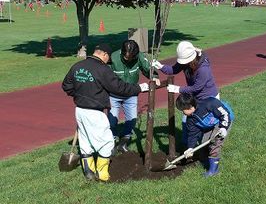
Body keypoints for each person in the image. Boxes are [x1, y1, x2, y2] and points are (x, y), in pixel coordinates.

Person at [62, 44, 149, 182]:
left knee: (85, 142)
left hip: (79, 110)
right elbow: (119, 88)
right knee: (108, 143)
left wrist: (81, 95)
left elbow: (66, 85)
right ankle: (103, 174)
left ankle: (88, 172)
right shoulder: (103, 69)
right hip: (95, 112)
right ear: (105, 55)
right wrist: (139, 87)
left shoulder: (77, 66)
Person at [152, 41, 220, 145]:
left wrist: (178, 89)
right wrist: (160, 66)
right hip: (195, 98)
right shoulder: (186, 62)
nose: (182, 64)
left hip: (208, 99)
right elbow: (173, 70)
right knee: (186, 122)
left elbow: (197, 88)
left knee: (205, 125)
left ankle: (206, 149)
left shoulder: (203, 69)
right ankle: (187, 148)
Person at [108, 40, 160, 153]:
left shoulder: (139, 57)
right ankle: (111, 142)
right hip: (114, 94)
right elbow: (104, 74)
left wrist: (154, 76)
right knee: (112, 121)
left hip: (131, 94)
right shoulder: (113, 57)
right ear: (122, 53)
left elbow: (147, 68)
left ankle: (124, 141)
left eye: (132, 58)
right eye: (126, 58)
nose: (129, 60)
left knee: (132, 119)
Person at [175, 93, 234, 177]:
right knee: (204, 143)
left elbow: (224, 114)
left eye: (183, 110)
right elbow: (193, 134)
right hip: (210, 125)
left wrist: (224, 127)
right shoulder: (190, 120)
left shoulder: (210, 103)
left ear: (190, 106)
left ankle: (214, 171)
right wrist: (190, 148)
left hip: (223, 121)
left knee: (214, 144)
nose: (183, 113)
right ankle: (206, 162)